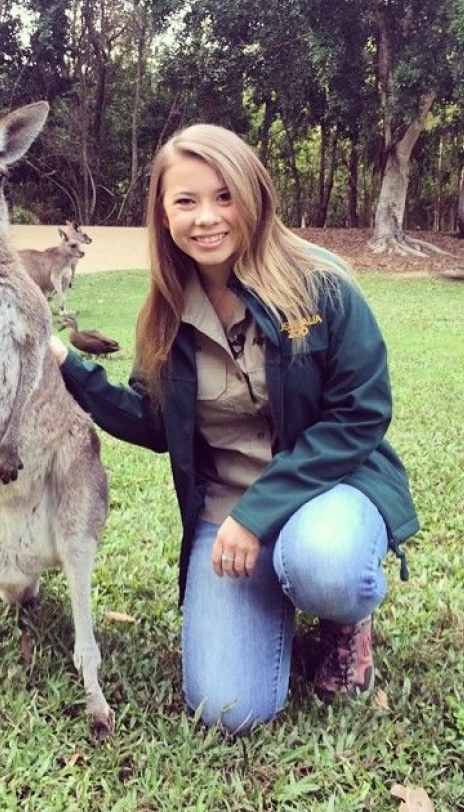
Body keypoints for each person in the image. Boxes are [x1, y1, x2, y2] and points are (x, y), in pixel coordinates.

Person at [49, 123, 419, 735]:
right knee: (228, 707)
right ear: (163, 214)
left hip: (326, 493)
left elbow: (361, 412)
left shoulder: (319, 283)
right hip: (226, 510)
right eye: (186, 201)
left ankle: (342, 617)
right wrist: (66, 363)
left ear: (253, 194)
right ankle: (272, 597)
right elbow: (155, 422)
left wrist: (258, 514)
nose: (207, 217)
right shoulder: (166, 311)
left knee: (324, 563)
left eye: (224, 196)